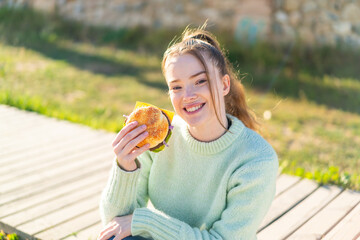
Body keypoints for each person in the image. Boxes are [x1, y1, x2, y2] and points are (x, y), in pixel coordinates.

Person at [97, 25, 278, 240]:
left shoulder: (256, 158)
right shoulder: (158, 137)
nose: (188, 95)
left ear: (224, 84)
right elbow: (114, 225)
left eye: (200, 81)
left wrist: (147, 221)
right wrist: (124, 167)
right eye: (176, 87)